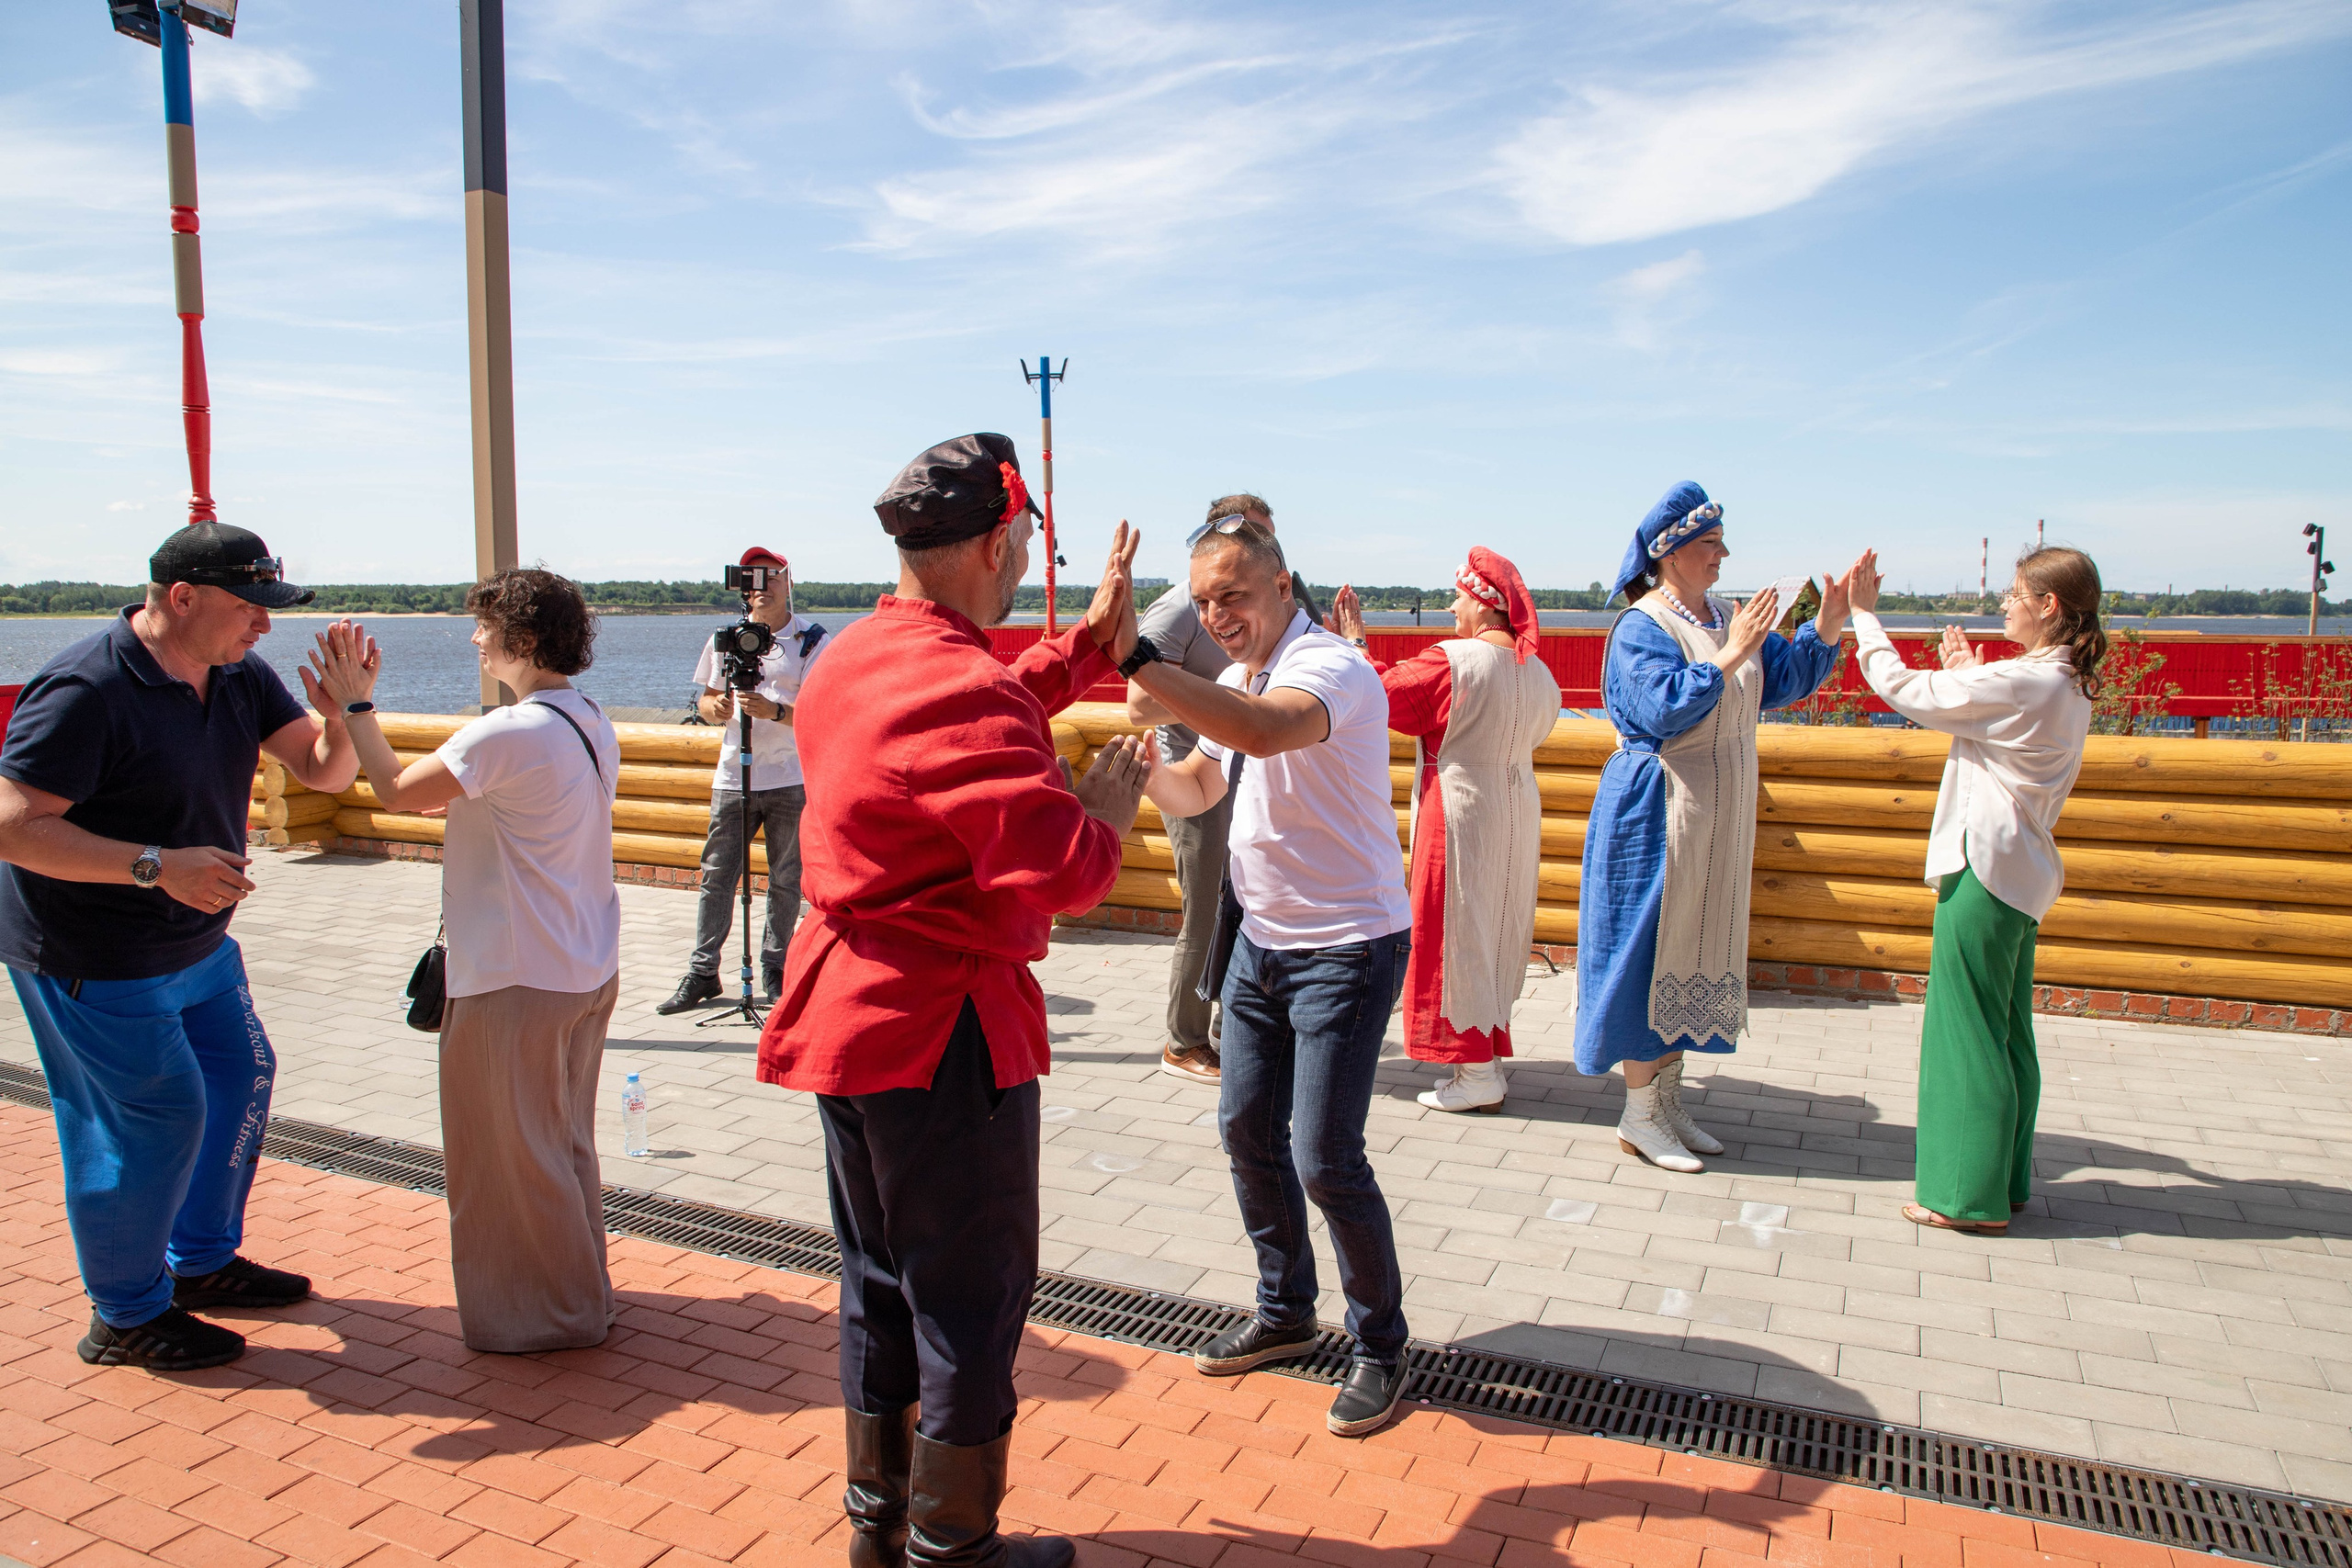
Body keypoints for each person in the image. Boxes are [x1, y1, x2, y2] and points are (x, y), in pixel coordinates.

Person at [759, 434, 1150, 1568]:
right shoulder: (958, 685)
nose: (1023, 563)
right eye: (1021, 546)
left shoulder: (853, 657)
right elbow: (1067, 870)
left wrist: (1081, 650)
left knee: (878, 1280)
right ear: (991, 543)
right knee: (969, 1296)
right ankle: (954, 1545)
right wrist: (1110, 808)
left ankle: (881, 1528)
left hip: (849, 1017)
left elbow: (968, 712)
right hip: (941, 1033)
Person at [0, 525, 356, 1371]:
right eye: (249, 608)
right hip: (92, 950)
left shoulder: (237, 672)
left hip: (196, 940)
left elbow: (325, 773)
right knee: (152, 1116)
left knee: (243, 1073)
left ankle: (198, 1262)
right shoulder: (84, 688)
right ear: (181, 598)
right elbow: (13, 826)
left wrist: (343, 715)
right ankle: (123, 1314)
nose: (263, 627)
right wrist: (156, 867)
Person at [1131, 517, 1414, 1439]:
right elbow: (1202, 789)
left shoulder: (1331, 669)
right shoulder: (1228, 679)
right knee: (1246, 1128)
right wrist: (1148, 771)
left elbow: (1259, 734)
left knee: (1324, 1157)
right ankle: (1285, 1311)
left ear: (1283, 587)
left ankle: (1378, 1347)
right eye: (1204, 601)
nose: (1218, 617)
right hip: (1260, 942)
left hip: (1350, 946)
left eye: (1234, 596)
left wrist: (1134, 659)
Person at [310, 569, 623, 1352]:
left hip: (518, 976)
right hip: (583, 965)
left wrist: (356, 706)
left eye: (484, 626)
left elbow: (393, 790)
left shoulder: (508, 732)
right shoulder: (587, 718)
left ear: (522, 638)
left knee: (509, 1158)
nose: (474, 638)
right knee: (561, 1143)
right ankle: (581, 1293)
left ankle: (549, 1318)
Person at [1576, 484, 1860, 1173]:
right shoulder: (1642, 626)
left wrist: (1825, 622)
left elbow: (1779, 679)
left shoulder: (1725, 615)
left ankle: (1668, 1104)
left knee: (1693, 949)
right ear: (1669, 552)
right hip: (1657, 814)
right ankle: (1640, 1114)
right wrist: (1728, 653)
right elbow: (1660, 707)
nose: (1723, 555)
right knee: (1651, 953)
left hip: (1709, 817)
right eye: (1710, 544)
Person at [1848, 547, 2099, 1236]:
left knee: (1966, 1033)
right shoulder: (2061, 679)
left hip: (1984, 869)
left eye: (2016, 594)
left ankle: (1963, 1194)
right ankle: (2004, 1178)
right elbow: (1994, 717)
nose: (2005, 605)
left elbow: (1906, 691)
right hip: (2022, 872)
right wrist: (1969, 674)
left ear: (2049, 605)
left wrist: (1866, 619)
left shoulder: (2027, 682)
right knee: (2007, 1030)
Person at [1329, 547, 1561, 1114]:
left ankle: (1475, 1072)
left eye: (1458, 597)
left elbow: (1379, 697)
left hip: (1457, 808)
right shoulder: (1539, 671)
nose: (1451, 607)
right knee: (1497, 927)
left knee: (1450, 927)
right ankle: (1486, 1055)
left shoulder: (1453, 661)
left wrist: (1355, 644)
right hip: (1516, 806)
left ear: (1483, 605)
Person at [1125, 493, 1321, 1084]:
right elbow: (1137, 702)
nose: (1259, 552)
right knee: (1206, 910)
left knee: (1239, 906)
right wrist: (1224, 702)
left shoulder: (1294, 612)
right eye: (1250, 539)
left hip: (1251, 769)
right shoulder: (1185, 604)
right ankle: (1184, 1039)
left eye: (1267, 543)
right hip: (1202, 766)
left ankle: (1230, 1027)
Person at [657, 547, 830, 1014]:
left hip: (790, 777)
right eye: (752, 578)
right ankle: (703, 971)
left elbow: (818, 714)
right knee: (716, 875)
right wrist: (720, 709)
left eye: (770, 576)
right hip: (734, 774)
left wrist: (773, 710)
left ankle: (776, 967)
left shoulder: (812, 641)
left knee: (786, 878)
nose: (761, 586)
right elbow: (709, 703)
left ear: (787, 580)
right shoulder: (724, 639)